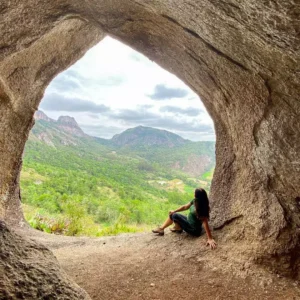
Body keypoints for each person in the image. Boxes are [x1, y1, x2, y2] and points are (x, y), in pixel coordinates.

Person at [152, 188, 217, 249]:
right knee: (173, 213)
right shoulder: (195, 201)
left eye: (194, 192)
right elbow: (185, 207)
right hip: (189, 221)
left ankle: (171, 228)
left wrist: (210, 238)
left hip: (193, 229)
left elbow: (205, 222)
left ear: (197, 196)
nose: (193, 193)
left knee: (174, 215)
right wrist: (175, 210)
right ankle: (167, 228)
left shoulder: (201, 208)